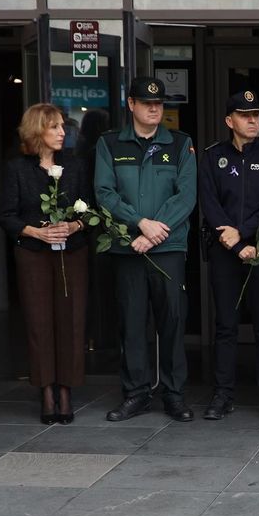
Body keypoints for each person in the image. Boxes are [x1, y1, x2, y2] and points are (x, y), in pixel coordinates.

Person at [95, 76, 196, 422]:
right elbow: (105, 194)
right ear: (131, 104)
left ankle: (174, 394)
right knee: (132, 322)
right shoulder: (109, 144)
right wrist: (140, 223)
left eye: (159, 104)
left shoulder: (181, 144)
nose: (155, 108)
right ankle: (136, 393)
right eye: (147, 102)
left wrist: (153, 233)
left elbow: (185, 196)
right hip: (128, 248)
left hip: (167, 248)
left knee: (172, 321)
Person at [198, 90, 259, 422]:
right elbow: (209, 204)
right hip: (225, 251)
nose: (253, 120)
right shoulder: (212, 156)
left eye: (256, 115)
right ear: (230, 121)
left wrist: (248, 234)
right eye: (244, 115)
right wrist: (235, 242)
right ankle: (223, 393)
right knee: (225, 325)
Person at [1, 103, 90, 425]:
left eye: (62, 127)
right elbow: (7, 216)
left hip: (72, 253)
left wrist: (75, 226)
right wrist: (36, 232)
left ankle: (66, 389)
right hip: (33, 254)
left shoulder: (76, 165)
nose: (62, 133)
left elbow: (89, 211)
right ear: (37, 130)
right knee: (39, 322)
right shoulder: (17, 169)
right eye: (54, 127)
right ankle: (46, 390)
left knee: (71, 320)